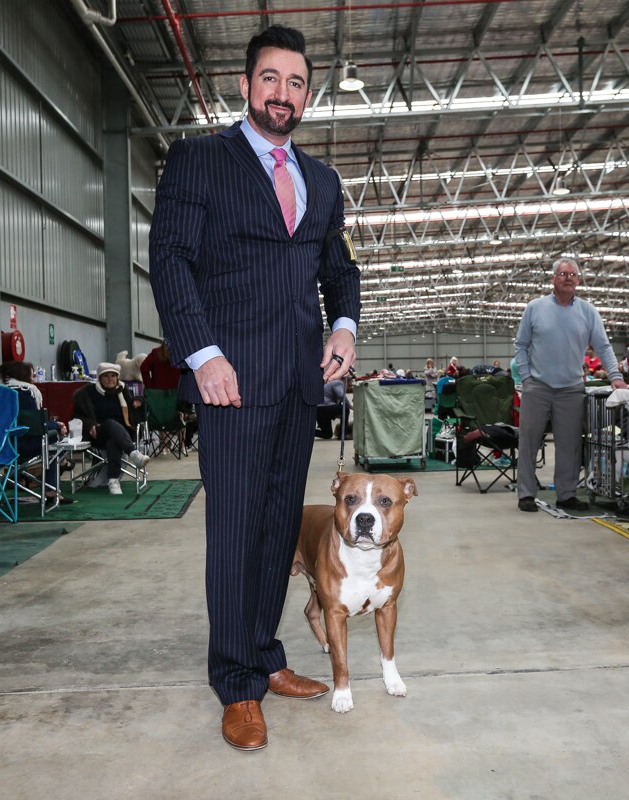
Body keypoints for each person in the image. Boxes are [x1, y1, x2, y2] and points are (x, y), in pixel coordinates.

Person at [148, 25, 361, 752]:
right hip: (230, 383)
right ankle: (236, 682)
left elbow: (340, 270)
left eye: (296, 83)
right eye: (270, 78)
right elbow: (170, 259)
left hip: (299, 382)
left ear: (307, 97)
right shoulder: (201, 159)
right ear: (245, 85)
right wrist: (202, 354)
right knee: (236, 534)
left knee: (276, 531)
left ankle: (266, 656)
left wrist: (345, 327)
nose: (282, 93)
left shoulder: (322, 181)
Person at [515, 258, 627, 513]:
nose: (568, 278)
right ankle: (526, 493)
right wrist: (526, 378)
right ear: (553, 279)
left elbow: (603, 346)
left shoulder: (588, 311)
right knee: (529, 442)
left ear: (578, 280)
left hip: (571, 389)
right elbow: (520, 345)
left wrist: (615, 376)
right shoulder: (535, 308)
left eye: (573, 274)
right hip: (537, 387)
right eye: (563, 273)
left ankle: (566, 494)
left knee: (570, 444)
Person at [0, 361, 72, 505]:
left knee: (51, 440)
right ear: (23, 376)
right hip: (20, 444)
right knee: (55, 441)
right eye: (32, 376)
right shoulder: (26, 392)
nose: (34, 379)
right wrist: (57, 425)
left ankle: (24, 480)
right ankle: (51, 490)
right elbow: (33, 425)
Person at [71, 363, 150, 496]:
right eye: (106, 376)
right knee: (110, 423)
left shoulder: (123, 390)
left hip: (123, 434)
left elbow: (137, 409)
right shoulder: (88, 392)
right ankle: (133, 453)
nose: (110, 379)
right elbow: (78, 416)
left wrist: (139, 401)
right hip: (98, 432)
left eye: (113, 376)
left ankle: (113, 481)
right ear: (100, 378)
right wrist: (90, 425)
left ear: (117, 377)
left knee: (113, 441)